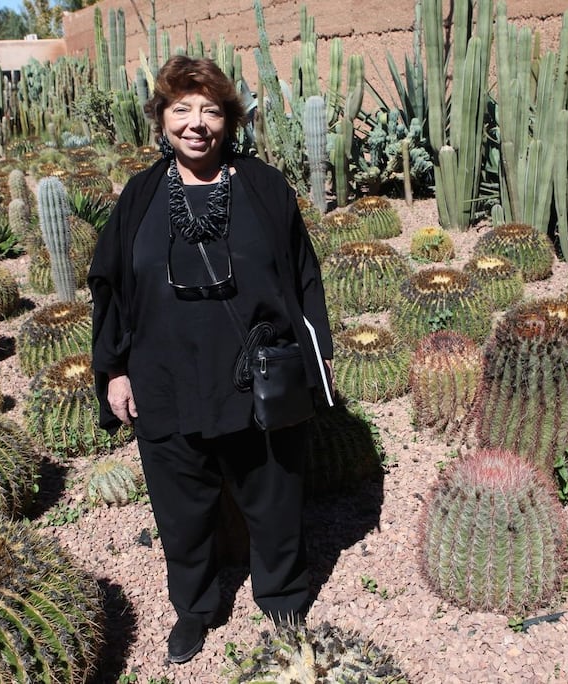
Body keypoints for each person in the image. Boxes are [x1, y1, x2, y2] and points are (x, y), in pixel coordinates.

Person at [86, 54, 334, 665]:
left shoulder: (264, 189)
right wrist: (114, 370)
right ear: (162, 118)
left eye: (210, 109)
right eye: (181, 109)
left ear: (229, 119)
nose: (195, 123)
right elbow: (111, 288)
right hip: (164, 381)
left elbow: (304, 281)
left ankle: (281, 598)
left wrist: (312, 371)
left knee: (273, 497)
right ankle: (195, 608)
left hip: (255, 381)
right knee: (181, 511)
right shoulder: (140, 195)